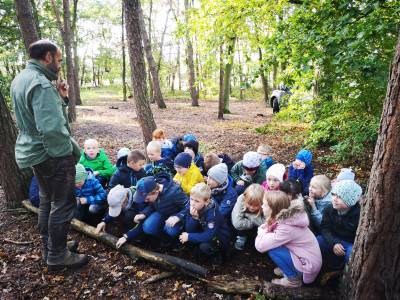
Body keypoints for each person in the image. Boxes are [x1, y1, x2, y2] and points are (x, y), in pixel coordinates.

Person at [10, 40, 87, 271]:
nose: (60, 64)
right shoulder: (41, 84)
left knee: (47, 199)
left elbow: (41, 117)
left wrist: (62, 98)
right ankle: (57, 255)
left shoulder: (22, 79)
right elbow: (52, 129)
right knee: (63, 203)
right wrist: (67, 156)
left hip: (34, 151)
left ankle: (51, 245)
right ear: (47, 58)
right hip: (50, 153)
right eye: (59, 59)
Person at [255, 191, 322, 287]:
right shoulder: (288, 219)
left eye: (265, 205)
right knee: (274, 243)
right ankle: (288, 268)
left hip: (308, 266)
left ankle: (293, 280)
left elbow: (260, 246)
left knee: (273, 250)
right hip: (305, 257)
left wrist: (261, 230)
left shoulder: (286, 227)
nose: (262, 206)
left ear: (273, 209)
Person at [164, 183, 231, 264]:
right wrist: (194, 218)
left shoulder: (212, 215)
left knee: (204, 246)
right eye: (191, 199)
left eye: (197, 201)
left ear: (207, 201)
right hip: (204, 229)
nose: (192, 203)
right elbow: (189, 227)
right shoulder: (194, 204)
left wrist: (189, 236)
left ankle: (217, 255)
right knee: (192, 240)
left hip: (218, 236)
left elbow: (209, 235)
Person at [115, 175, 188, 248]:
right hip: (162, 212)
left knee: (170, 229)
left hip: (176, 216)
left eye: (147, 199)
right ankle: (164, 239)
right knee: (148, 227)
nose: (145, 201)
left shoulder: (175, 193)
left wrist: (178, 217)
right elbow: (152, 205)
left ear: (156, 192)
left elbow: (189, 205)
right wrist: (144, 213)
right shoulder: (151, 189)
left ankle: (176, 241)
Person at [317, 180, 362, 269]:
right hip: (333, 239)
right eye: (333, 194)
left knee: (351, 255)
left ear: (350, 200)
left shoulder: (359, 214)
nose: (334, 199)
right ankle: (318, 264)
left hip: (349, 243)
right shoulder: (329, 209)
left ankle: (344, 272)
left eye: (340, 197)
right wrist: (333, 243)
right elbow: (325, 228)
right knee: (317, 241)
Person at [231, 184, 265, 251]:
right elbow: (237, 223)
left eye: (256, 205)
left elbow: (266, 223)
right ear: (245, 198)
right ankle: (241, 237)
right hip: (246, 225)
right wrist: (253, 224)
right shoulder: (241, 198)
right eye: (249, 204)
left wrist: (248, 215)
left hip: (258, 227)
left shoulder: (266, 203)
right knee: (239, 221)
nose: (252, 207)